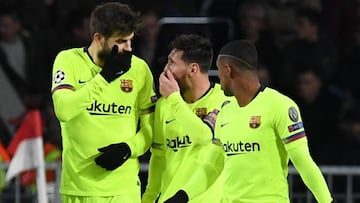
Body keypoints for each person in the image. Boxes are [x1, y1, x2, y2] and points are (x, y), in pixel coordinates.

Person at [51, 2, 157, 203]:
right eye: (121, 41)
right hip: (78, 190)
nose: (129, 49)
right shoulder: (68, 60)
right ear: (98, 38)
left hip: (124, 191)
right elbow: (63, 110)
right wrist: (105, 78)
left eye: (131, 41)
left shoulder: (140, 69)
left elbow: (151, 127)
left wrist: (129, 148)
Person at [214, 40, 333, 202]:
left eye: (219, 70)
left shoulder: (280, 106)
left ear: (228, 70)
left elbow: (303, 162)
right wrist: (181, 196)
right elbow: (211, 166)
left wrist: (327, 201)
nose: (218, 77)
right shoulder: (224, 112)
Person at [142, 34, 231, 203]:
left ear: (193, 69)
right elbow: (159, 157)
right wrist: (148, 199)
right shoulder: (164, 105)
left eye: (172, 63)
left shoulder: (224, 100)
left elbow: (203, 137)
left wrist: (174, 99)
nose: (166, 69)